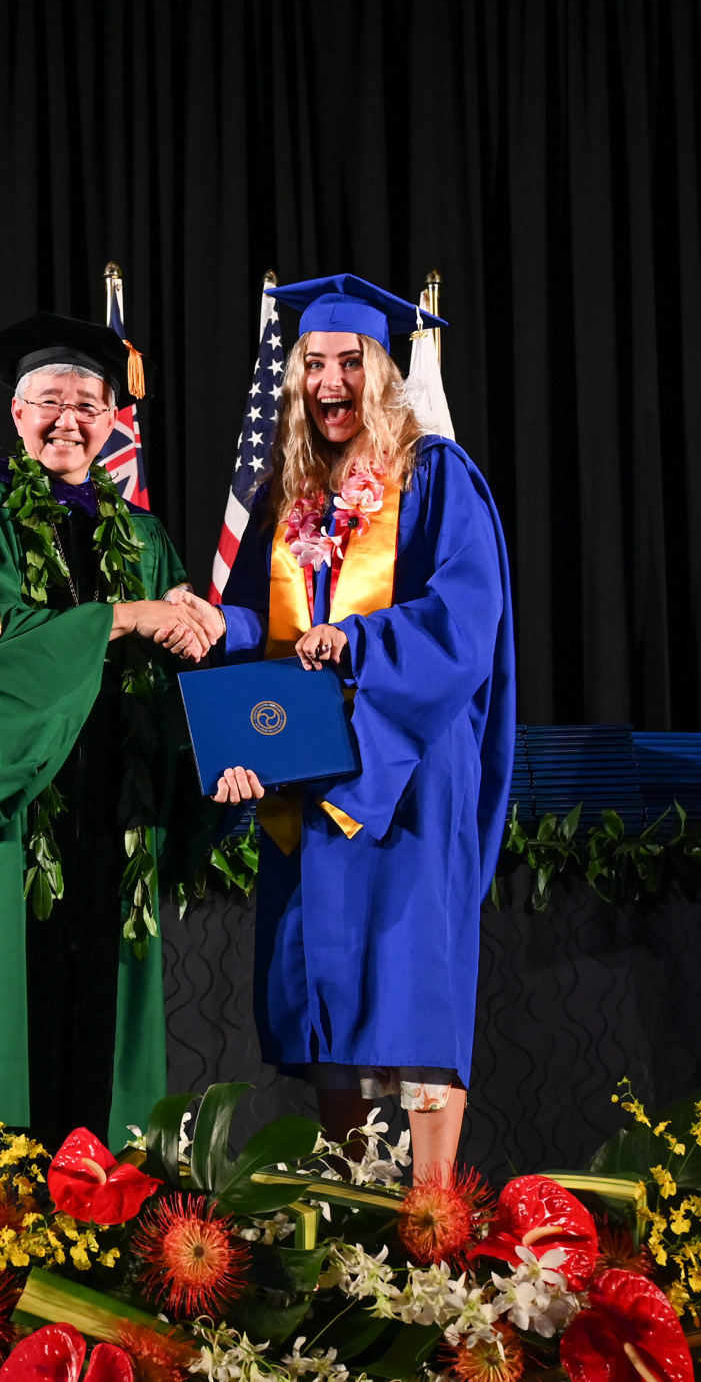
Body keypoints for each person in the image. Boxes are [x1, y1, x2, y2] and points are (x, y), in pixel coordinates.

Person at [168, 274, 515, 1176]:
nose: (329, 379)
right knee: (337, 989)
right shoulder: (298, 500)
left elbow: (464, 619)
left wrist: (357, 639)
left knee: (412, 976)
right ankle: (351, 1223)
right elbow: (270, 624)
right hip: (317, 769)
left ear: (383, 372)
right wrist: (217, 623)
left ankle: (431, 1220)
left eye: (347, 361)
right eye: (311, 363)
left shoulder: (437, 476)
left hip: (408, 767)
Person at [0, 312, 215, 1150]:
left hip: (110, 810)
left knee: (95, 1028)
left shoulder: (139, 534)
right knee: (4, 1016)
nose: (67, 419)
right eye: (49, 401)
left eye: (88, 404)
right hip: (12, 805)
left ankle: (98, 1217)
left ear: (113, 421)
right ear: (17, 413)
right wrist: (128, 616)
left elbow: (172, 660)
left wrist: (191, 630)